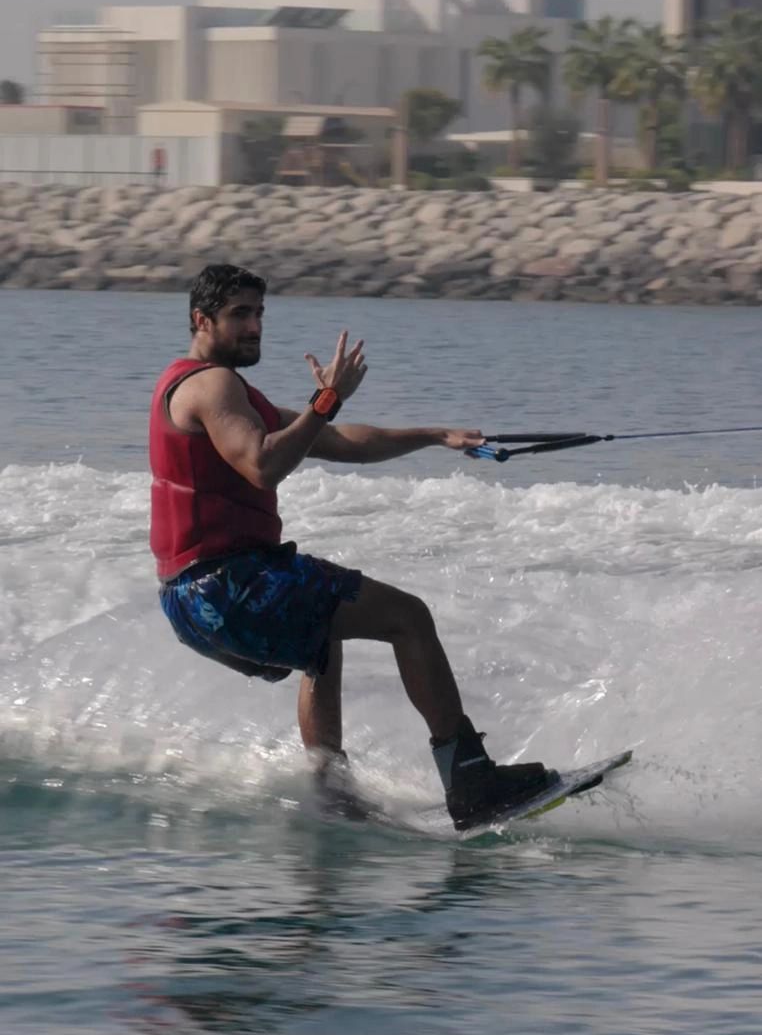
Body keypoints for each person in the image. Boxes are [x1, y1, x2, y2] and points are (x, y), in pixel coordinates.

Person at [149, 264, 558, 830]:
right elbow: (263, 465)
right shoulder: (212, 385)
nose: (255, 326)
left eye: (260, 313)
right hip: (230, 584)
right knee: (408, 618)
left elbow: (340, 441)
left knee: (321, 639)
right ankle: (471, 780)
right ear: (201, 320)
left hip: (190, 597)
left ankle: (331, 794)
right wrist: (325, 400)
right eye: (240, 314)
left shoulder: (218, 391)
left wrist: (436, 436)